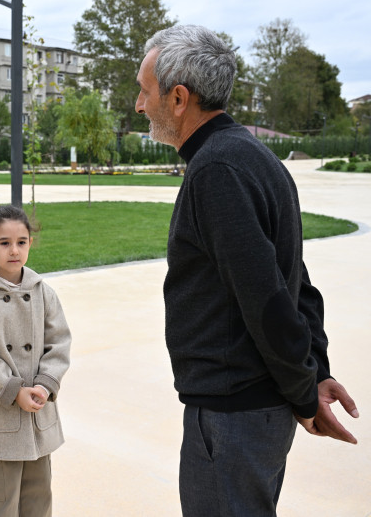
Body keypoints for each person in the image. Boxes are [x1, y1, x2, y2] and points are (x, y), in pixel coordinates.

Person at [134, 25, 359, 516]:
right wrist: (314, 373)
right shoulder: (252, 156)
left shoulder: (217, 169)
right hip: (252, 409)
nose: (138, 104)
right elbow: (295, 279)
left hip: (234, 413)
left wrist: (305, 395)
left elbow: (268, 300)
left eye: (144, 91)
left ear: (178, 98)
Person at [0, 205, 71, 517]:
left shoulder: (43, 292)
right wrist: (13, 390)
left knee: (38, 502)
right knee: (0, 506)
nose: (14, 250)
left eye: (21, 242)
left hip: (37, 416)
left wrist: (46, 386)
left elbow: (58, 343)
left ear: (31, 243)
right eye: (4, 243)